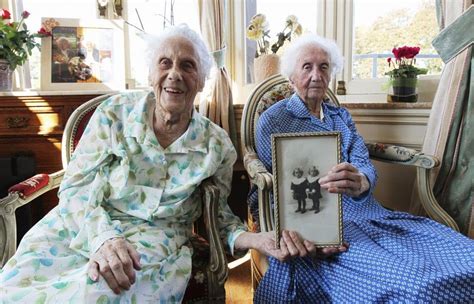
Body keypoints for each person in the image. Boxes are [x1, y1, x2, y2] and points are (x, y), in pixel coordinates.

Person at [0, 24, 328, 303]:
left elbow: (219, 218)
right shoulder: (113, 115)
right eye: (165, 63)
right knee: (13, 286)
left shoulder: (216, 145)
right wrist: (103, 238)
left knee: (98, 291)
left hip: (152, 240)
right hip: (82, 222)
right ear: (151, 73)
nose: (174, 74)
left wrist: (255, 239)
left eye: (187, 66)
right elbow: (75, 187)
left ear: (201, 80)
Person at [251, 33, 474, 303]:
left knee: (466, 258)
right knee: (417, 286)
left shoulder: (340, 117)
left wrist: (362, 181)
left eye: (324, 67)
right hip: (322, 227)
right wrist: (313, 234)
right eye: (307, 67)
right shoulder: (274, 120)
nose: (316, 75)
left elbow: (363, 163)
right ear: (291, 78)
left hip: (370, 213)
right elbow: (280, 192)